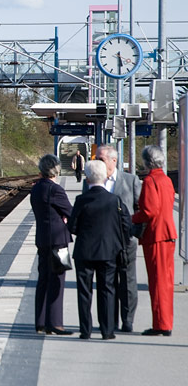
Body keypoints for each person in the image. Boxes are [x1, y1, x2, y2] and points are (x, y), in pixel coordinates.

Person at [68, 160, 129, 340]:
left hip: (84, 252)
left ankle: (85, 330)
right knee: (107, 290)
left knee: (84, 292)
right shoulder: (114, 200)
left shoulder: (81, 200)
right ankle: (107, 330)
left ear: (87, 179)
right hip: (108, 252)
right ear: (106, 177)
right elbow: (125, 223)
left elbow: (72, 227)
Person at [83, 145, 141, 332]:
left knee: (127, 282)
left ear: (113, 161)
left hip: (125, 242)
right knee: (107, 284)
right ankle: (109, 321)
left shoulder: (131, 181)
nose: (97, 162)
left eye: (101, 159)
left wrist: (134, 233)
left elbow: (140, 208)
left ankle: (127, 320)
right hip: (103, 243)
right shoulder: (90, 182)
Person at [133, 145, 177, 336]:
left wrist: (131, 217)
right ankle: (165, 321)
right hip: (168, 234)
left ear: (146, 161)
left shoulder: (150, 181)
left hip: (156, 236)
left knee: (157, 281)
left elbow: (150, 211)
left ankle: (161, 324)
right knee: (166, 281)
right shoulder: (166, 180)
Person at [29, 154, 73, 335]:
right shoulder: (56, 190)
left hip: (42, 240)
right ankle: (55, 323)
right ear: (56, 169)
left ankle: (40, 322)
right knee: (57, 281)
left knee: (43, 280)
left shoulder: (36, 189)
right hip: (58, 242)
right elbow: (70, 212)